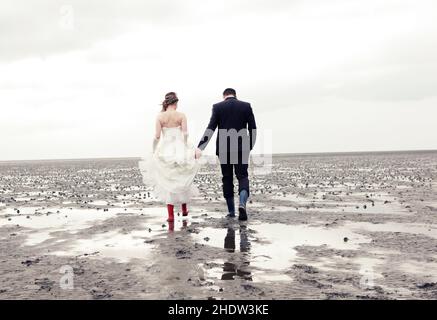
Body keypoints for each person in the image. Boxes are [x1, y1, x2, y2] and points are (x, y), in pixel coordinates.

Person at [196, 88, 257, 221]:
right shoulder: (246, 106)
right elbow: (253, 128)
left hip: (224, 148)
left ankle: (231, 212)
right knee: (242, 176)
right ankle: (242, 203)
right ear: (235, 95)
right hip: (242, 148)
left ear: (224, 96)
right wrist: (249, 146)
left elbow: (211, 128)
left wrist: (200, 147)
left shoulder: (218, 107)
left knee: (227, 178)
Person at [139, 92, 199, 223]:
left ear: (166, 103)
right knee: (182, 177)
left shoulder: (160, 117)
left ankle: (171, 215)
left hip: (166, 149)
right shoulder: (181, 115)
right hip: (180, 148)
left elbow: (157, 136)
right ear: (176, 103)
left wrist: (154, 150)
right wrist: (188, 147)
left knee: (168, 180)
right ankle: (184, 210)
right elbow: (185, 134)